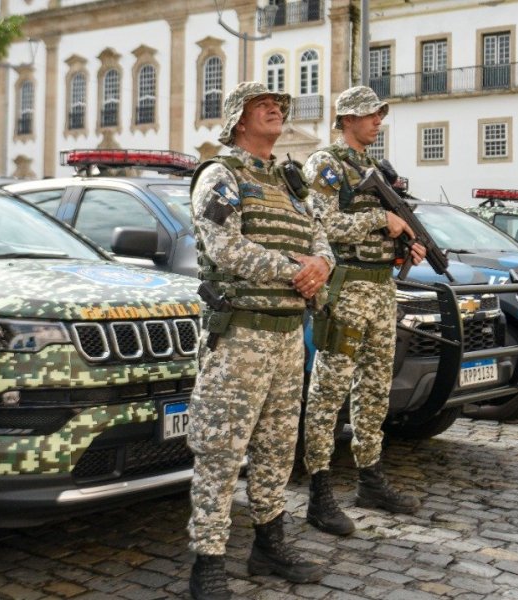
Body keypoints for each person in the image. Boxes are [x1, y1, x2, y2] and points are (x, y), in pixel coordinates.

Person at [185, 82, 334, 600]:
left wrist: (322, 265)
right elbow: (225, 248)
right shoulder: (221, 176)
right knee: (221, 452)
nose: (275, 109)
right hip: (239, 336)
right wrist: (296, 269)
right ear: (238, 121)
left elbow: (321, 238)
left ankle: (269, 545)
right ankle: (207, 561)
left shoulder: (291, 182)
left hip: (288, 335)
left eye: (278, 105)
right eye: (261, 105)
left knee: (276, 447)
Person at [300, 85, 425, 537]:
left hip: (380, 288)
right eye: (370, 114)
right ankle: (319, 490)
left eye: (379, 115)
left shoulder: (373, 168)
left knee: (374, 389)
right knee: (329, 390)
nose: (378, 121)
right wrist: (381, 220)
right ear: (347, 119)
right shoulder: (326, 163)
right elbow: (322, 224)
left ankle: (370, 478)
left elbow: (383, 230)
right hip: (346, 288)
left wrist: (405, 243)